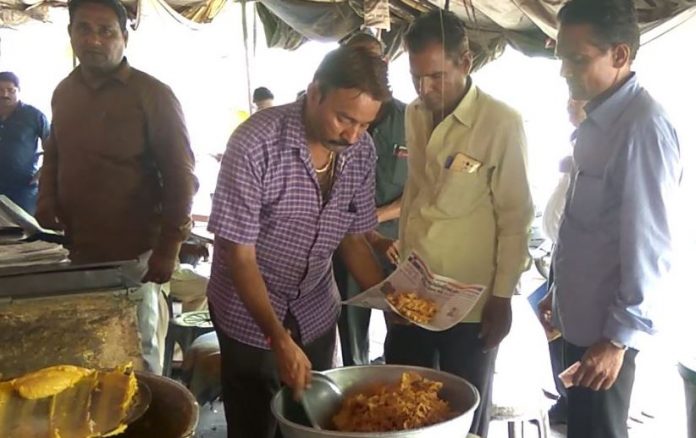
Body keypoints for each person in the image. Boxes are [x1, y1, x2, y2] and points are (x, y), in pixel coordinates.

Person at [206, 45, 391, 438]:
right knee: (254, 423)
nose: (352, 135)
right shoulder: (255, 143)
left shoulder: (361, 151)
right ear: (315, 92)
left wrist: (390, 301)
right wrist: (277, 338)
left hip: (315, 308)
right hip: (247, 313)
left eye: (364, 125)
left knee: (314, 422)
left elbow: (353, 238)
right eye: (344, 118)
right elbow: (239, 256)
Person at [375, 10, 534, 437]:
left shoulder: (501, 123)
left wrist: (502, 297)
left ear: (465, 62)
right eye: (415, 77)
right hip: (414, 293)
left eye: (436, 77)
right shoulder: (414, 113)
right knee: (402, 412)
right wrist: (400, 279)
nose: (424, 89)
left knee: (462, 416)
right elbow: (415, 195)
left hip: (471, 306)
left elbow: (516, 217)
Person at [539, 1, 681, 437]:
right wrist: (558, 292)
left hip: (605, 337)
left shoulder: (642, 128)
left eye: (578, 59)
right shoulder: (597, 119)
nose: (564, 71)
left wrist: (618, 340)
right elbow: (585, 227)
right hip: (580, 323)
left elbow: (649, 249)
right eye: (561, 57)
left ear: (620, 55)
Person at [36, 0, 198, 374]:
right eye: (84, 28)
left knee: (139, 353)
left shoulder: (153, 94)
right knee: (90, 351)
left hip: (138, 256)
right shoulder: (63, 92)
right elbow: (54, 153)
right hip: (80, 252)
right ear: (70, 33)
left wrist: (169, 248)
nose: (94, 40)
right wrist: (46, 199)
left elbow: (181, 177)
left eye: (106, 31)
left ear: (124, 37)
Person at [334, 32, 407, 366]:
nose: (354, 132)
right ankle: (358, 377)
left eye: (370, 60)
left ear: (385, 63)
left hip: (396, 242)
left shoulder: (411, 119)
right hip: (347, 241)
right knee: (352, 330)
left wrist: (375, 221)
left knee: (403, 324)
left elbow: (424, 188)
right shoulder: (331, 122)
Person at [528, 97, 586, 424]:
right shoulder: (580, 139)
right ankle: (565, 397)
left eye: (577, 99)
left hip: (579, 260)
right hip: (561, 253)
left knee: (571, 337)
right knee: (554, 329)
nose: (569, 104)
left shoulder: (608, 143)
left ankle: (572, 402)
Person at [0, 72, 49, 214]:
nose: (5, 95)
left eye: (10, 90)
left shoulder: (34, 116)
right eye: (0, 90)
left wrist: (44, 171)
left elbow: (54, 146)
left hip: (23, 188)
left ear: (18, 90)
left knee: (23, 226)